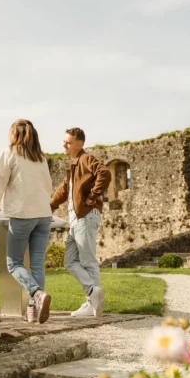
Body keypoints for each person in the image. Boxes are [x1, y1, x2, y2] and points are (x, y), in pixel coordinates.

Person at [0, 119, 55, 324]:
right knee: (37, 264)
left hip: (23, 215)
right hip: (44, 215)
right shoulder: (41, 158)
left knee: (14, 264)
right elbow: (48, 186)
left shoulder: (10, 153)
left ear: (14, 134)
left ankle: (37, 294)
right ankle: (33, 309)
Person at [50, 127, 111, 317]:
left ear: (80, 143)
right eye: (64, 141)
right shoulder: (74, 166)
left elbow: (105, 173)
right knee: (69, 261)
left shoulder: (86, 159)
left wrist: (93, 196)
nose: (64, 145)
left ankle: (92, 304)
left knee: (87, 261)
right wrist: (49, 205)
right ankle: (93, 293)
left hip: (85, 216)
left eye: (68, 142)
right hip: (76, 220)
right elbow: (63, 190)